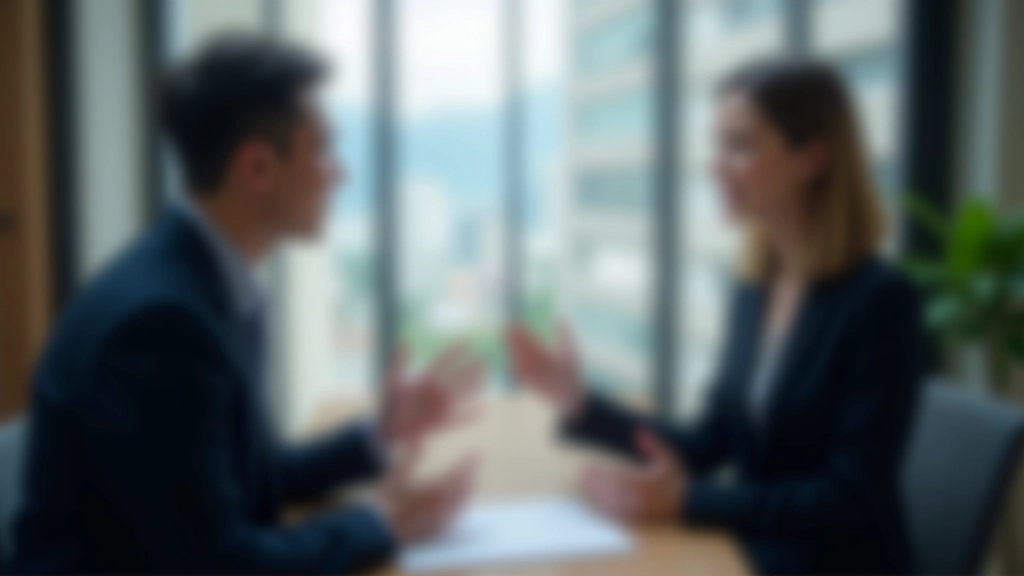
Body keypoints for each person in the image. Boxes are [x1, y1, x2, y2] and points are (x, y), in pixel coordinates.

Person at [13, 34, 484, 574]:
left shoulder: (209, 282)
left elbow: (249, 476)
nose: (340, 173)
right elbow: (222, 565)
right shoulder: (161, 324)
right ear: (258, 167)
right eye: (322, 150)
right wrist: (383, 523)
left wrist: (379, 435)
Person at [508, 58, 924, 575]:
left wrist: (688, 501)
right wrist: (581, 403)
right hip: (762, 549)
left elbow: (849, 497)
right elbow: (712, 442)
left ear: (812, 158)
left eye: (740, 146)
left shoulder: (881, 301)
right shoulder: (755, 287)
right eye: (717, 145)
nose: (716, 166)